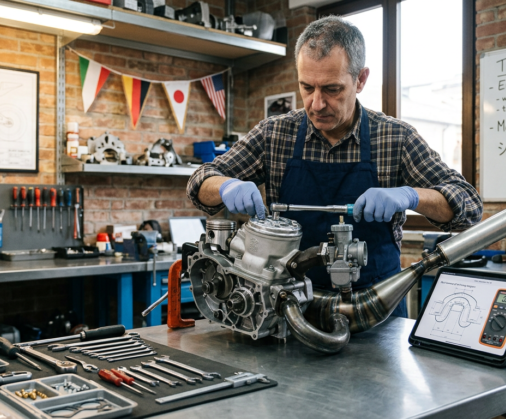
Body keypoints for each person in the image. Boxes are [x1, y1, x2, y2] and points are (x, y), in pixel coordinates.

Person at [186, 16, 482, 318]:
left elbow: (468, 207)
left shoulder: (395, 138)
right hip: (288, 308)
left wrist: (411, 196)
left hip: (376, 309)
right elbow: (199, 182)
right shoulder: (275, 135)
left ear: (361, 79)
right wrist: (225, 186)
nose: (316, 103)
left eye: (331, 89)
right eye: (307, 87)